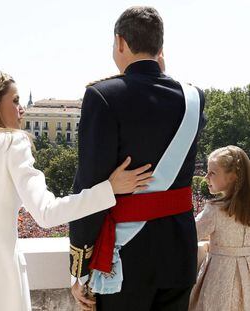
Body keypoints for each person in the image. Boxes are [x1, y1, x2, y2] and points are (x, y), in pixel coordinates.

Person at [0, 69, 154, 311]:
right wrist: (109, 189)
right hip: (0, 278)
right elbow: (46, 213)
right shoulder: (12, 143)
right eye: (15, 101)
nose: (21, 109)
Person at [69, 6, 206, 311]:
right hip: (178, 252)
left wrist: (80, 265)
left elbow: (88, 186)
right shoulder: (194, 97)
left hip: (125, 259)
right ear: (160, 47)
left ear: (120, 42)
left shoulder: (102, 96)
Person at [189, 146, 250, 311]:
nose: (206, 177)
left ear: (232, 177)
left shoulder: (215, 210)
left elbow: (189, 236)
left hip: (220, 276)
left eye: (212, 173)